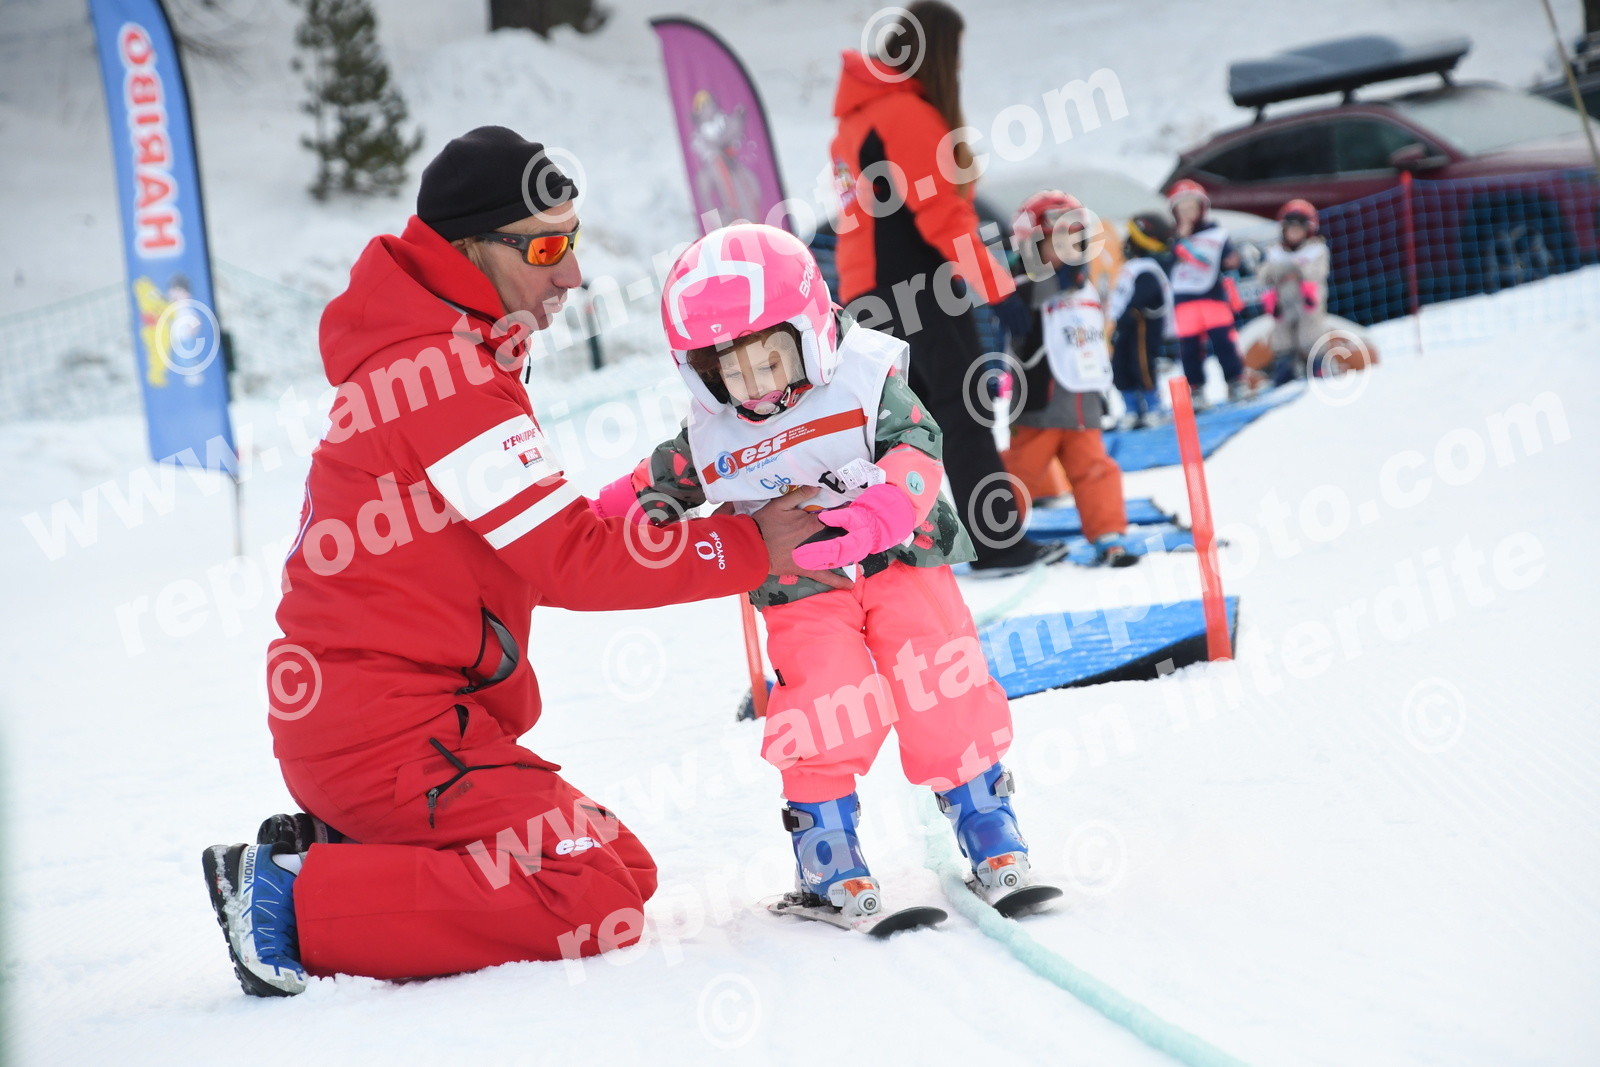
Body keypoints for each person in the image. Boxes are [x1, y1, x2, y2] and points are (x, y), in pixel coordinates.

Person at [200, 127, 846, 997]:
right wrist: (747, 547)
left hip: (406, 723)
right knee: (588, 891)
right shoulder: (443, 373)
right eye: (545, 248)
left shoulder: (446, 351)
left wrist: (679, 497)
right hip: (383, 732)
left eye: (573, 240)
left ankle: (346, 854)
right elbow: (568, 561)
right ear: (470, 248)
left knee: (620, 866)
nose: (571, 274)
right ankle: (285, 900)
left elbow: (544, 540)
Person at [592, 223, 1043, 917]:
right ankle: (826, 850)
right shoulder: (714, 431)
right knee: (825, 700)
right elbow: (656, 484)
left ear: (810, 333)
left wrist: (885, 510)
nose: (756, 387)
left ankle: (988, 824)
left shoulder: (863, 377)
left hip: (901, 558)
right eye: (731, 372)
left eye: (770, 360)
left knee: (939, 678)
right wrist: (589, 521)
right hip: (803, 582)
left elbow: (917, 444)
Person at [829, 0, 1066, 576]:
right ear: (936, 51)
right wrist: (1000, 291)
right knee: (964, 411)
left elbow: (856, 222)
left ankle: (892, 547)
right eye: (955, 53)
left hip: (871, 295)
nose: (958, 67)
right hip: (921, 288)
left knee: (906, 427)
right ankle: (998, 543)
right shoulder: (906, 114)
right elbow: (944, 217)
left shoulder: (855, 121)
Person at [1000, 193, 1140, 567]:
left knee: (1096, 470)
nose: (1069, 251)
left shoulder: (1086, 286)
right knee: (1020, 473)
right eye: (1057, 242)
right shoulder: (1024, 286)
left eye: (1075, 241)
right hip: (1040, 405)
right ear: (1032, 244)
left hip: (1083, 401)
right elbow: (1029, 299)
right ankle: (996, 535)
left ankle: (1108, 534)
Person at [1166, 179, 1247, 409]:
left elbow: (1230, 260)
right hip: (1184, 300)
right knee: (1189, 348)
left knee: (1224, 342)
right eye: (1182, 209)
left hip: (1213, 297)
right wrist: (1178, 240)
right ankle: (1196, 389)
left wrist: (1234, 261)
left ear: (1201, 208)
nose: (1187, 213)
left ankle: (1235, 382)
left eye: (1191, 207)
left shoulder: (1216, 234)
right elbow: (1165, 264)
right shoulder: (1170, 238)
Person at [1110, 212, 1177, 429]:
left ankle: (1153, 406)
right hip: (1124, 327)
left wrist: (1127, 317)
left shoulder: (1147, 269)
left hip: (1141, 327)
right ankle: (1131, 408)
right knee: (1120, 366)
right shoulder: (1132, 267)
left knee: (1142, 365)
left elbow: (1142, 298)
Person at [1256, 199, 1329, 384]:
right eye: (1291, 229)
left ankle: (1318, 365)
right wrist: (1284, 270)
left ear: (1308, 230)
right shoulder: (1275, 253)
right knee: (1282, 335)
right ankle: (1285, 367)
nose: (1294, 233)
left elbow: (1317, 273)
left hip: (1307, 301)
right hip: (1282, 303)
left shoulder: (1316, 250)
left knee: (1310, 332)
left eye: (1298, 229)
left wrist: (1295, 270)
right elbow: (1264, 276)